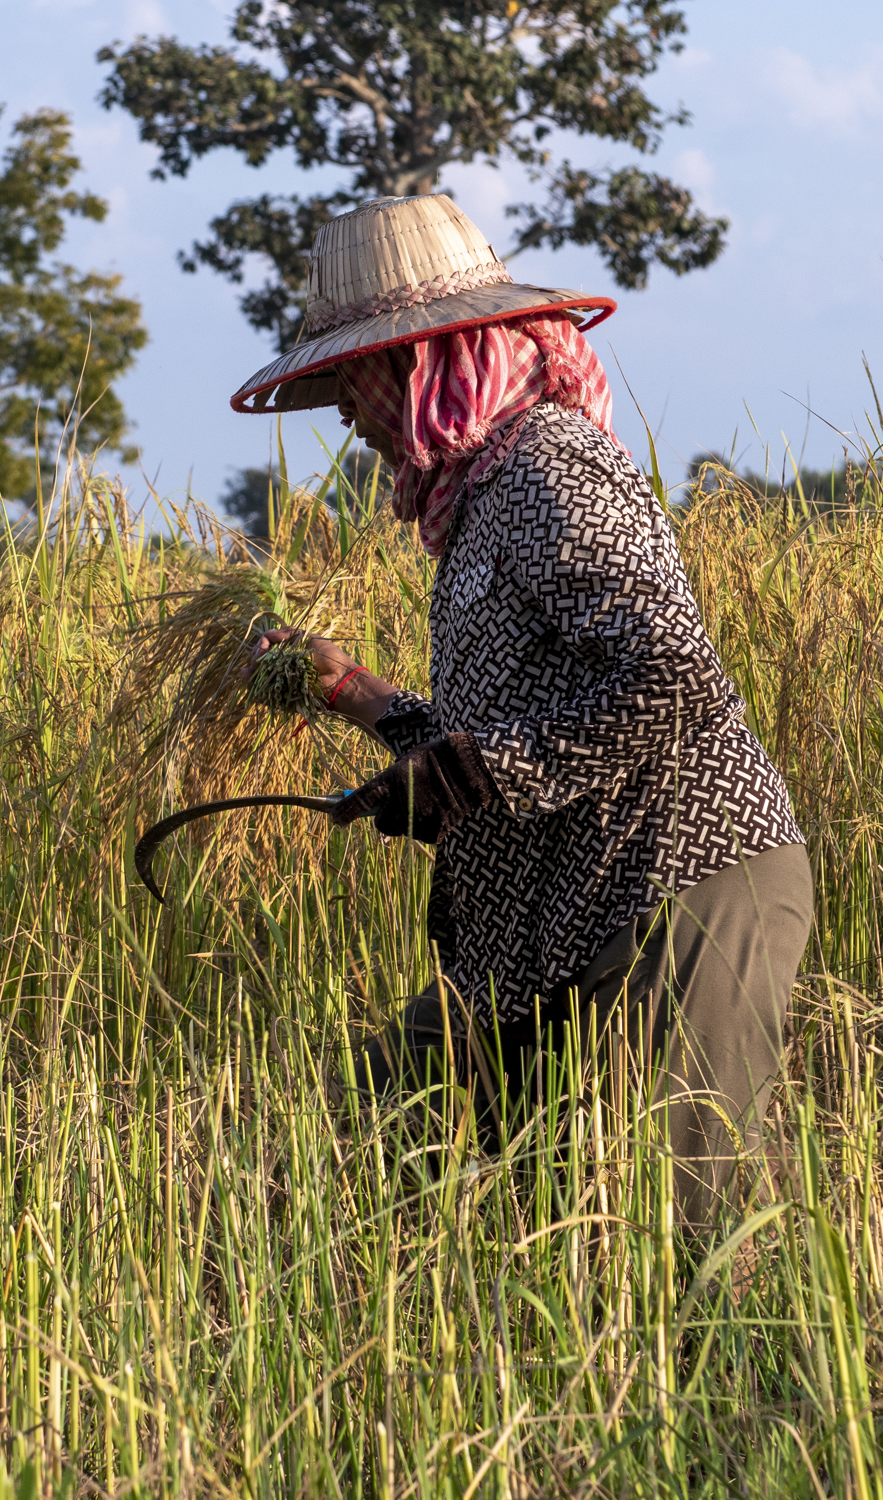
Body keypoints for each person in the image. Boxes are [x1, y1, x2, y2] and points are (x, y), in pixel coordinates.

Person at [234, 194, 812, 1225]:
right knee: (381, 1127)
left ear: (418, 367)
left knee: (674, 1237)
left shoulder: (547, 465)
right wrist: (353, 693)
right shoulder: (481, 500)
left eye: (351, 381)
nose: (345, 416)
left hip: (673, 886)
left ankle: (717, 1387)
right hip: (556, 909)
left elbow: (671, 673)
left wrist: (462, 776)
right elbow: (512, 724)